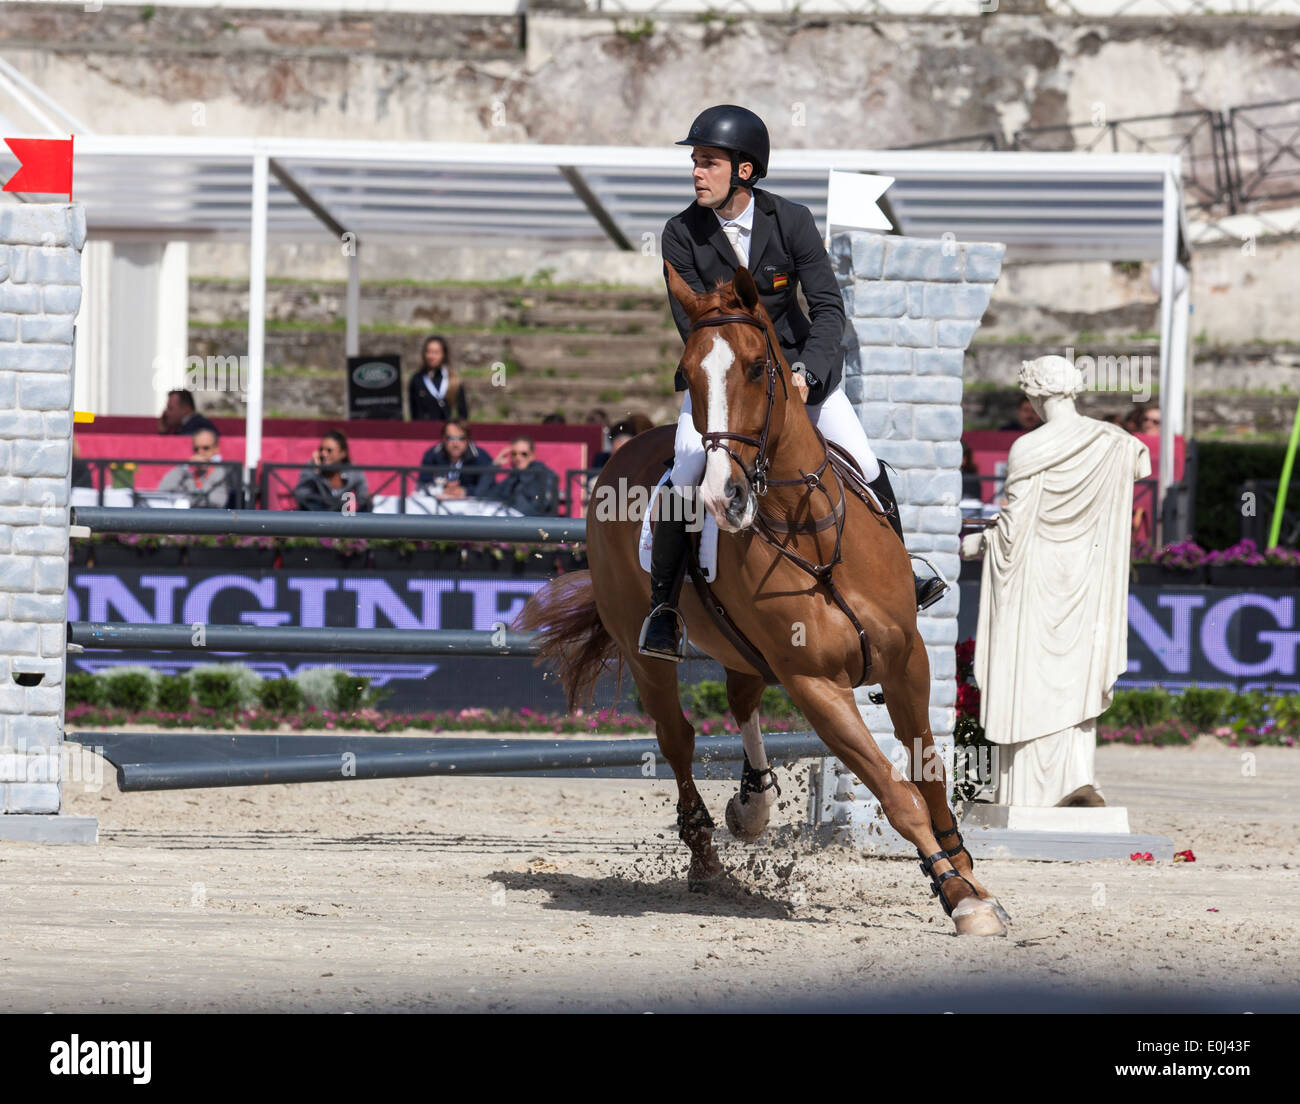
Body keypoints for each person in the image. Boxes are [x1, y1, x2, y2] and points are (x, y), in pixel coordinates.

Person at [640, 104, 946, 660]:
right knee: (685, 468)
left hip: (802, 374)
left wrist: (806, 373)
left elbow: (827, 307)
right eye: (695, 162)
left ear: (744, 171)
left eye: (708, 162)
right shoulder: (679, 233)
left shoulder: (792, 221)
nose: (696, 172)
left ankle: (903, 576)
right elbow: (693, 325)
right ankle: (663, 608)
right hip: (725, 384)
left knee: (865, 462)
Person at [293, 430, 372, 512]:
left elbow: (363, 500)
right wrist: (316, 471)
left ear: (342, 453)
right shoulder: (312, 466)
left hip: (341, 517)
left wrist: (368, 501)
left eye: (329, 450)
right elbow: (301, 496)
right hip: (315, 515)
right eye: (321, 449)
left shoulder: (353, 471)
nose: (323, 454)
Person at [157, 427, 236, 507]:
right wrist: (185, 466)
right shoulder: (187, 473)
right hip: (191, 513)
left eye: (206, 448)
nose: (200, 452)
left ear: (216, 449)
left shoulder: (224, 471)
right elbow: (163, 490)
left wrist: (217, 464)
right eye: (196, 449)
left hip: (216, 513)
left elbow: (219, 500)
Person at [416, 419, 493, 498]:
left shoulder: (480, 456)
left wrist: (465, 491)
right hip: (438, 500)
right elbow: (423, 484)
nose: (456, 443)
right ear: (443, 439)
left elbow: (489, 487)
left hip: (471, 502)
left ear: (468, 440)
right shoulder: (433, 454)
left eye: (461, 438)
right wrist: (442, 488)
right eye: (451, 438)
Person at [484, 436, 558, 515]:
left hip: (534, 522)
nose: (518, 458)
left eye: (523, 454)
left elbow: (539, 505)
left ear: (532, 455)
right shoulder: (512, 478)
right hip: (510, 520)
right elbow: (484, 495)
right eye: (514, 454)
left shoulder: (544, 476)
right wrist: (494, 466)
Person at [408, 336, 468, 421]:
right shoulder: (417, 379)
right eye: (428, 352)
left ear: (444, 355)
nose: (431, 356)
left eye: (436, 352)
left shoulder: (453, 380)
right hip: (424, 427)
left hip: (446, 427)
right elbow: (414, 413)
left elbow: (462, 414)